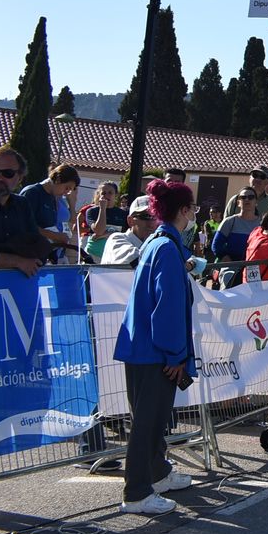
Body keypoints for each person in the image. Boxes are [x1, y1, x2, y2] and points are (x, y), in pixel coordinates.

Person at [112, 178, 197, 516]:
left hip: (142, 348)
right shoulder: (166, 247)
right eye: (192, 208)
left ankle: (158, 474)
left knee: (151, 420)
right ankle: (136, 492)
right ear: (184, 210)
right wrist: (176, 355)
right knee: (148, 423)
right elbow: (168, 308)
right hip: (155, 352)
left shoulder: (156, 242)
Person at [22, 163, 79, 263]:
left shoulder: (53, 197)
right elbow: (22, 225)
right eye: (67, 188)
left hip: (42, 257)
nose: (67, 193)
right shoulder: (32, 193)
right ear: (58, 180)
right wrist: (55, 236)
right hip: (26, 257)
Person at [211, 187, 261, 286]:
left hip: (253, 269)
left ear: (256, 202)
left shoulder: (262, 224)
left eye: (251, 197)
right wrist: (224, 257)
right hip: (231, 268)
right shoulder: (229, 222)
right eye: (243, 197)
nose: (247, 199)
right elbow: (216, 245)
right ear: (238, 202)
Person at [78, 182, 128, 264]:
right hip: (94, 254)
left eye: (110, 193)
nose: (106, 195)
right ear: (99, 195)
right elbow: (99, 231)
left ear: (116, 195)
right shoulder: (92, 211)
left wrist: (106, 234)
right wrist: (102, 209)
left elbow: (125, 234)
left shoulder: (123, 214)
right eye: (103, 193)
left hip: (113, 255)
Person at [101, 195, 158, 265]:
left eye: (156, 217)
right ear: (130, 221)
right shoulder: (117, 239)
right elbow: (136, 262)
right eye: (146, 216)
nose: (151, 223)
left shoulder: (155, 245)